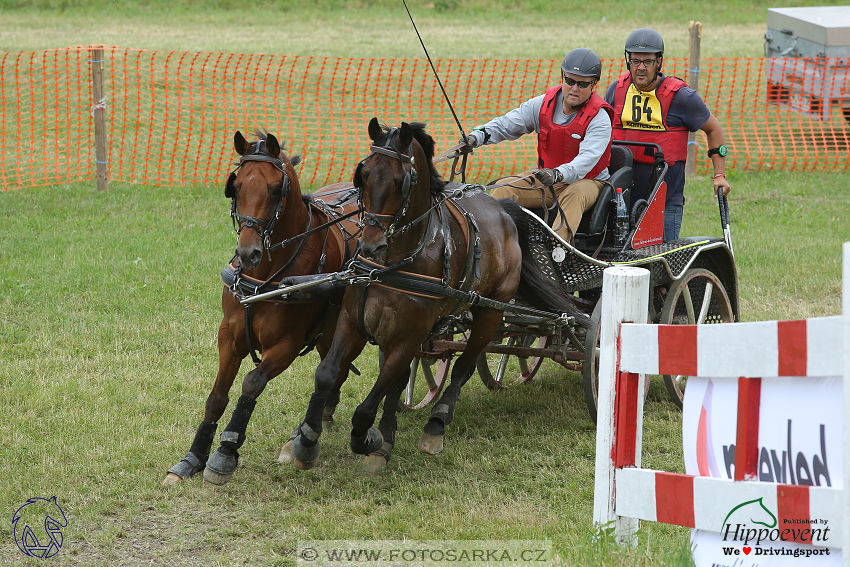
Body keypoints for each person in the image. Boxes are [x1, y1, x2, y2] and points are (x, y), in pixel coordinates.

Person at [462, 48, 613, 245]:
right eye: (569, 81)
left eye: (582, 83)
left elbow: (585, 162)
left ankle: (557, 254)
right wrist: (477, 136)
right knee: (503, 190)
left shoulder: (600, 118)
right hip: (549, 178)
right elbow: (508, 123)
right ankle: (491, 246)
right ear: (562, 76)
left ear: (594, 84)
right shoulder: (543, 104)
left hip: (589, 181)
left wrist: (557, 174)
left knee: (574, 195)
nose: (574, 88)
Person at [604, 27, 731, 242]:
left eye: (648, 62)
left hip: (665, 200)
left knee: (662, 264)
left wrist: (719, 175)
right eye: (635, 61)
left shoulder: (682, 97)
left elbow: (714, 129)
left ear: (659, 62)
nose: (641, 68)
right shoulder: (616, 90)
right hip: (620, 197)